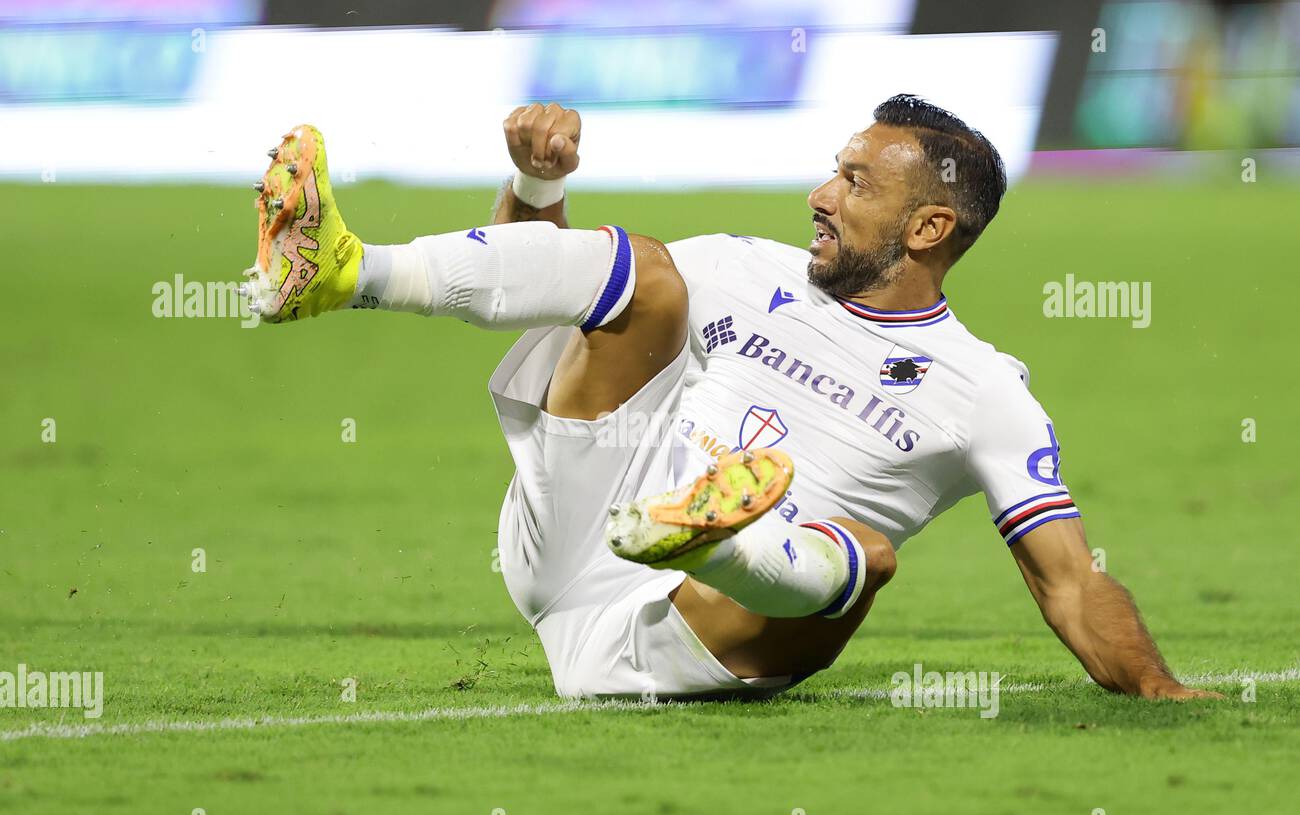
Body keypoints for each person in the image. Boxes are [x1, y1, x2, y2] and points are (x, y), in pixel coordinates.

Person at [240, 95, 1220, 702]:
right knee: (647, 276)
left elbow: (1070, 583)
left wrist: (1158, 686)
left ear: (926, 225)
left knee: (865, 559)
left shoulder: (988, 392)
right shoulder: (746, 268)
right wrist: (534, 190)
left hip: (693, 638)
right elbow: (555, 293)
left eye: (852, 181)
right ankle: (338, 269)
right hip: (578, 532)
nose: (818, 194)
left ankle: (716, 537)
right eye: (832, 169)